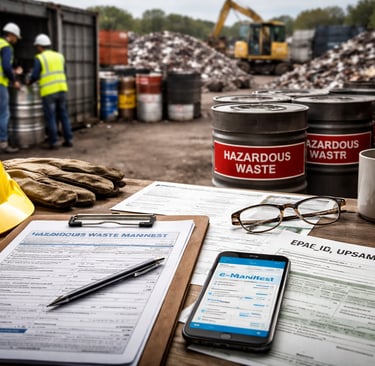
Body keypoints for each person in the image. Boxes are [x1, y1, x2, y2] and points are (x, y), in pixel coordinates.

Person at [27, 33, 73, 149]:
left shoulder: (40, 58)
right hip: (62, 89)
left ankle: (54, 142)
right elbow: (64, 72)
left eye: (37, 46)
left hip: (49, 91)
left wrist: (29, 82)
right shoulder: (59, 56)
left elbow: (35, 75)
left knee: (50, 116)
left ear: (40, 46)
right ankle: (68, 139)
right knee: (63, 115)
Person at [0, 22, 21, 153]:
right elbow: (6, 67)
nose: (16, 40)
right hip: (0, 83)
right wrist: (14, 80)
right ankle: (3, 143)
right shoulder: (6, 46)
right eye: (16, 37)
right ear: (11, 35)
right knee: (3, 113)